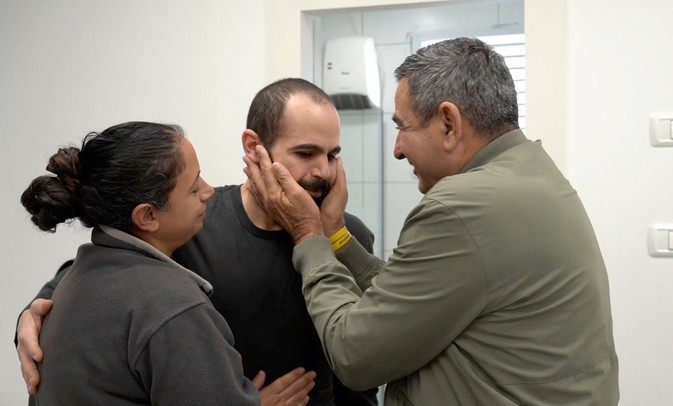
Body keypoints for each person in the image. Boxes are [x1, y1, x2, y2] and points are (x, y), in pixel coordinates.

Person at [244, 37, 620, 405]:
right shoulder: (534, 174)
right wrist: (337, 236)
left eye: (402, 127)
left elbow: (354, 357)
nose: (397, 149)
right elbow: (420, 300)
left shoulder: (462, 206)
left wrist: (309, 236)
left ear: (448, 123)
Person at [15, 79, 378, 405]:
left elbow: (362, 363)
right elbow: (102, 273)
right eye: (305, 153)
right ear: (254, 147)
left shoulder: (347, 237)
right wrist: (30, 316)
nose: (323, 172)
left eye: (332, 155)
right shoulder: (191, 224)